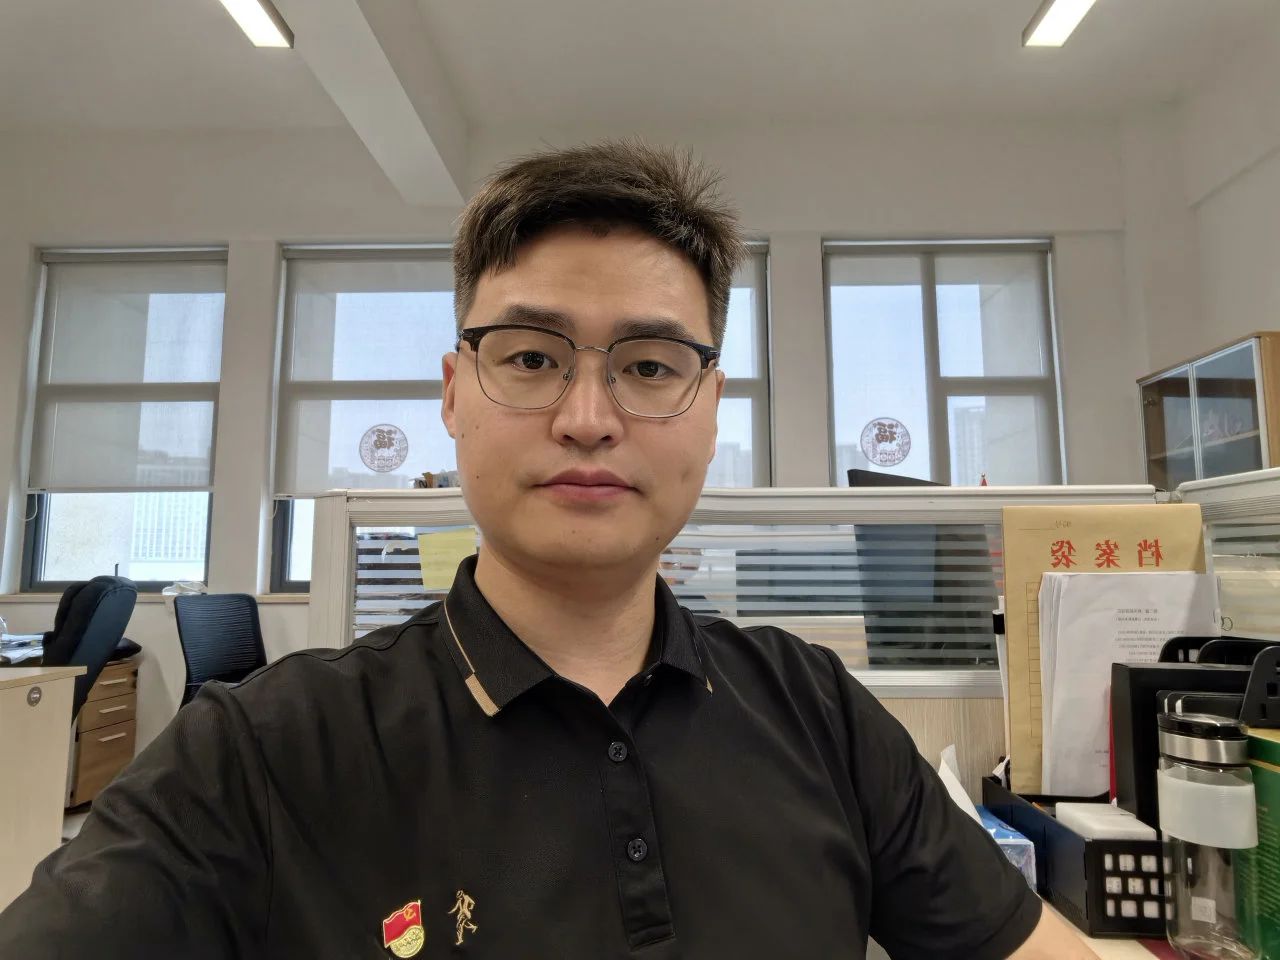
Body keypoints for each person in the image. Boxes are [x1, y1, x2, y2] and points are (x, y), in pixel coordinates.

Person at [0, 140, 1097, 959]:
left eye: (650, 366)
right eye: (530, 358)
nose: (586, 418)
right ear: (453, 393)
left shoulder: (817, 714)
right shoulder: (261, 754)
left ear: (710, 406)